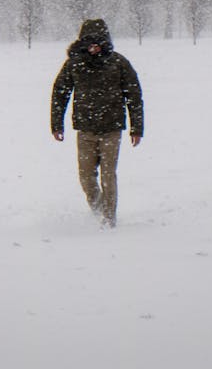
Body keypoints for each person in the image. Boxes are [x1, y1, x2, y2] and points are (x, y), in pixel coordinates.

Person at [51, 18, 143, 227]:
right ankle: (99, 208)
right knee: (86, 178)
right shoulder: (74, 64)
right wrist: (57, 124)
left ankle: (109, 218)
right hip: (85, 131)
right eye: (88, 42)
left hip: (112, 130)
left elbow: (134, 96)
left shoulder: (119, 63)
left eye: (97, 42)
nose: (93, 46)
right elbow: (60, 93)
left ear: (105, 41)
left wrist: (137, 128)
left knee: (108, 176)